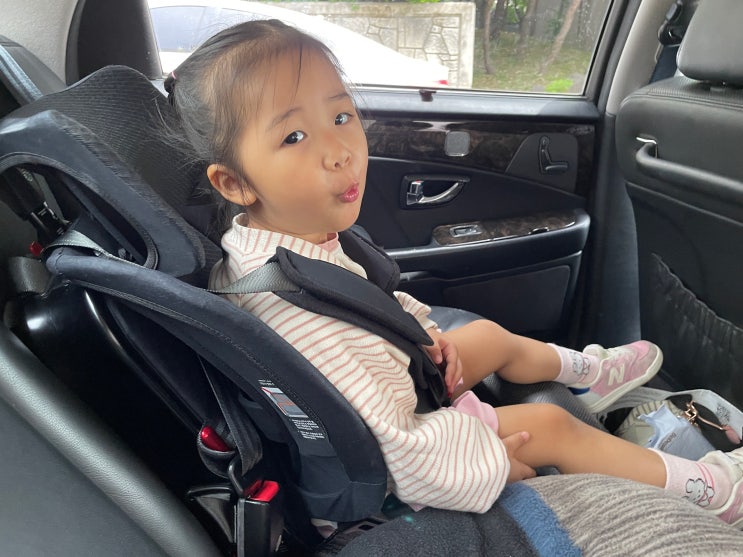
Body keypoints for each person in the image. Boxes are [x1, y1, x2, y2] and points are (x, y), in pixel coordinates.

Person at [165, 19, 743, 527]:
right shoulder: (298, 316)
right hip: (407, 465)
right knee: (552, 427)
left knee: (487, 337)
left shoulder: (286, 244)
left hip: (398, 389)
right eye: (294, 136)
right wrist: (490, 465)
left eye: (341, 115)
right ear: (234, 183)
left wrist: (423, 335)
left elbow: (370, 302)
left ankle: (588, 376)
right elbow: (396, 453)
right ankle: (713, 492)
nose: (339, 149)